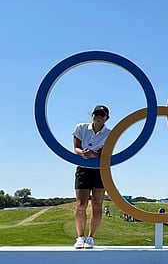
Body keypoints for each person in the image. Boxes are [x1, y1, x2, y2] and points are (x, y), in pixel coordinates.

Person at [72, 105, 111, 249]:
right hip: (83, 169)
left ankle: (90, 238)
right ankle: (80, 237)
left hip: (100, 170)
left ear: (107, 118)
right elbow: (75, 147)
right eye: (97, 113)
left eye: (102, 114)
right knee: (81, 204)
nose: (99, 116)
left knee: (97, 204)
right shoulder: (81, 128)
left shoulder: (110, 133)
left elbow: (105, 152)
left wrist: (94, 154)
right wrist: (82, 152)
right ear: (92, 115)